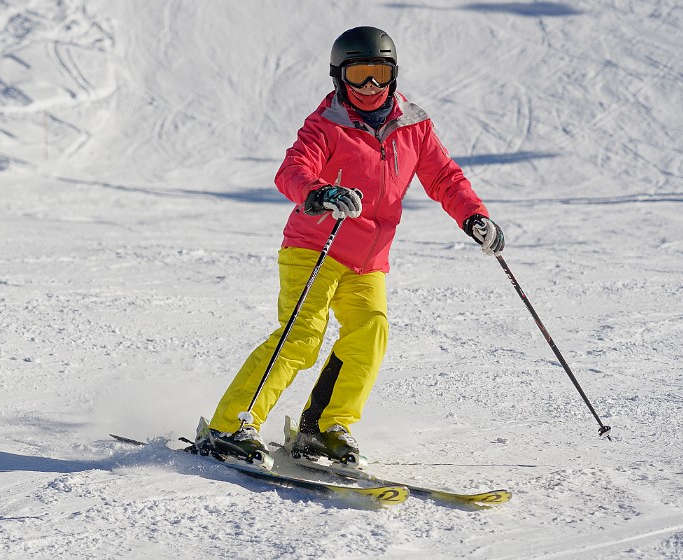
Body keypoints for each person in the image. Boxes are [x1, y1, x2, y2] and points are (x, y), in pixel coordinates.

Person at [196, 26, 504, 466]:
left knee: (370, 334)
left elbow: (444, 177)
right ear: (339, 77)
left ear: (394, 74)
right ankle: (230, 425)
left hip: (368, 261)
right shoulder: (326, 124)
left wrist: (473, 215)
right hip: (314, 247)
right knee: (301, 337)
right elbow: (292, 169)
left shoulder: (413, 125)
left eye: (380, 73)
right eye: (359, 74)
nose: (371, 85)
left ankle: (322, 429)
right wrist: (319, 192)